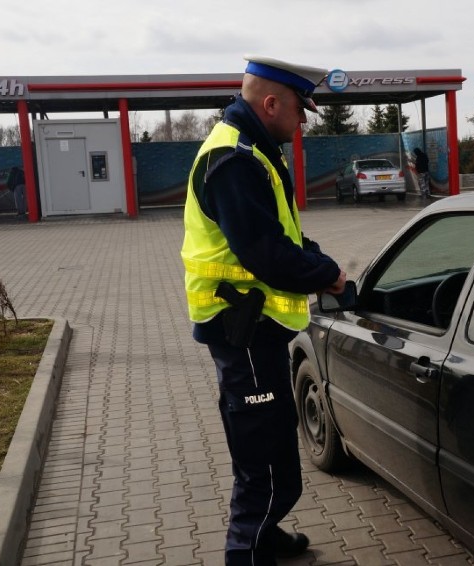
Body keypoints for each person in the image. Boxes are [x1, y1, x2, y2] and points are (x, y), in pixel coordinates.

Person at [180, 55, 347, 566]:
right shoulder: (234, 159)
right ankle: (245, 552)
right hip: (242, 330)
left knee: (271, 443)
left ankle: (264, 532)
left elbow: (282, 235)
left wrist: (318, 259)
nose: (303, 120)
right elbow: (265, 254)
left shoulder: (252, 148)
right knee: (261, 452)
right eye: (300, 109)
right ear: (271, 103)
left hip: (256, 329)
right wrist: (328, 275)